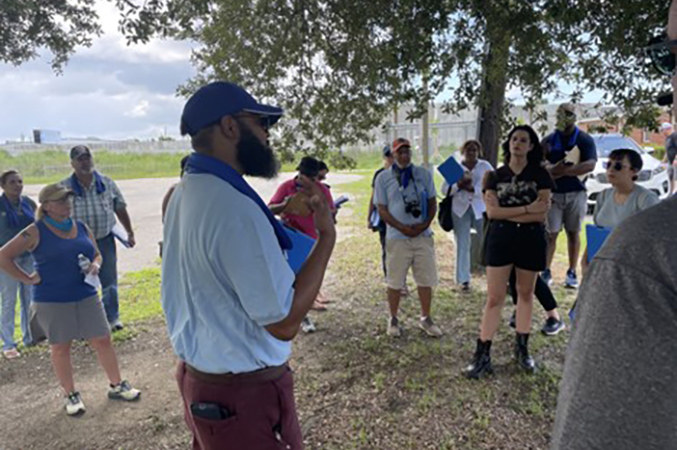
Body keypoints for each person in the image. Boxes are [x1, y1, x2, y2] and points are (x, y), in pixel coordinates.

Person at [163, 81, 335, 450]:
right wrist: (327, 235)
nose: (267, 135)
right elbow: (285, 322)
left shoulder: (185, 192)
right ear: (229, 126)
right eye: (261, 124)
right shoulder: (233, 208)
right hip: (242, 395)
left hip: (205, 382)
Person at [551, 5, 677, 446]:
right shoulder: (608, 207)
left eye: (671, 57)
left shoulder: (644, 254)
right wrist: (590, 268)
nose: (669, 86)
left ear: (635, 171)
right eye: (667, 56)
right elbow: (593, 237)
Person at [0, 183, 140, 416]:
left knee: (103, 339)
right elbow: (4, 255)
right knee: (61, 347)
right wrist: (26, 279)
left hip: (85, 293)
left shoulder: (81, 226)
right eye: (61, 201)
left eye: (68, 200)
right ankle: (71, 394)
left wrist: (95, 265)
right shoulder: (35, 230)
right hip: (52, 298)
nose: (67, 205)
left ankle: (117, 385)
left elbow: (95, 253)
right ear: (46, 206)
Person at [464, 125, 555, 378]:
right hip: (501, 237)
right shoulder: (494, 176)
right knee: (494, 297)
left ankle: (522, 349)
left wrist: (516, 211)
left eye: (523, 140)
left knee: (525, 294)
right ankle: (482, 354)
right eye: (514, 139)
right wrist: (528, 209)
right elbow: (492, 213)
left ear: (531, 146)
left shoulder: (541, 175)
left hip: (531, 239)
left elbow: (543, 212)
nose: (517, 143)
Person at [60, 145, 136, 331]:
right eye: (80, 159)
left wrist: (129, 232)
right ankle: (83, 323)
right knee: (79, 282)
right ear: (72, 163)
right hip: (77, 243)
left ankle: (112, 318)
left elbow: (120, 207)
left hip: (104, 239)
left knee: (109, 280)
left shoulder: (106, 183)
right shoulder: (64, 187)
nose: (85, 162)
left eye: (87, 158)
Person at [374, 137, 442, 338]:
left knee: (425, 278)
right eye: (399, 152)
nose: (404, 155)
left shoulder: (423, 174)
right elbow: (382, 209)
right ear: (393, 155)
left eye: (407, 152)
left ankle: (426, 318)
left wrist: (425, 224)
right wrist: (401, 227)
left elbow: (432, 202)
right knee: (395, 280)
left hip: (422, 235)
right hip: (397, 236)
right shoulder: (383, 178)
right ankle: (393, 318)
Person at [269, 156, 335, 330]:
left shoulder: (321, 191)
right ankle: (293, 316)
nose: (307, 181)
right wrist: (284, 206)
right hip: (291, 241)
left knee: (307, 280)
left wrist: (320, 209)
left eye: (313, 178)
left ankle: (303, 314)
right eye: (304, 176)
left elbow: (331, 214)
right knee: (289, 279)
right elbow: (268, 210)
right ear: (299, 173)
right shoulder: (286, 187)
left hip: (312, 242)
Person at [541, 103, 597, 289]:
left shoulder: (584, 139)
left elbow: (590, 164)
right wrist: (553, 170)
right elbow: (539, 166)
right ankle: (546, 270)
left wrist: (563, 171)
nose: (565, 119)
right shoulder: (549, 140)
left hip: (576, 193)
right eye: (561, 115)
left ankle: (572, 272)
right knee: (551, 234)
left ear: (575, 117)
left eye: (569, 115)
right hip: (554, 194)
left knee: (574, 233)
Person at [581, 148, 660, 272]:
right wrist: (585, 261)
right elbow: (597, 232)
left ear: (634, 171)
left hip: (631, 267)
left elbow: (654, 238)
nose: (611, 169)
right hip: (602, 264)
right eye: (608, 165)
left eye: (618, 166)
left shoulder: (646, 199)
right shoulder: (603, 196)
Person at [440, 140, 493, 292]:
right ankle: (463, 279)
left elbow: (491, 185)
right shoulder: (454, 167)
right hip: (460, 208)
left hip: (479, 207)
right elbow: (444, 190)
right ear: (463, 151)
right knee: (462, 243)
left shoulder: (485, 166)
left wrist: (473, 189)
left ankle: (492, 276)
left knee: (487, 241)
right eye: (468, 150)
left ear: (479, 151)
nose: (471, 153)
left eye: (474, 150)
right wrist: (459, 186)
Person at [0, 170, 36, 358]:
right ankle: (8, 343)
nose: (17, 185)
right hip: (7, 261)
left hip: (27, 257)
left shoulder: (28, 203)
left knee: (29, 299)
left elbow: (38, 225)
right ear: (3, 186)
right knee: (8, 301)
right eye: (12, 182)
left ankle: (30, 337)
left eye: (20, 181)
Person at [368, 145, 395, 278]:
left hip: (400, 216)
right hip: (384, 216)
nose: (393, 159)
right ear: (385, 157)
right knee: (386, 247)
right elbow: (373, 197)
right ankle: (390, 277)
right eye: (390, 156)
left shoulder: (404, 173)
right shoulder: (379, 174)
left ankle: (400, 280)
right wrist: (369, 217)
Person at [661, 122, 677, 194]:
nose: (662, 132)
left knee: (675, 178)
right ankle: (670, 193)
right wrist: (663, 160)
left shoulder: (675, 136)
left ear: (668, 129)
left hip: (675, 162)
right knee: (670, 177)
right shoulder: (667, 138)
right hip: (670, 162)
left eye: (663, 130)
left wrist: (676, 159)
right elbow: (667, 150)